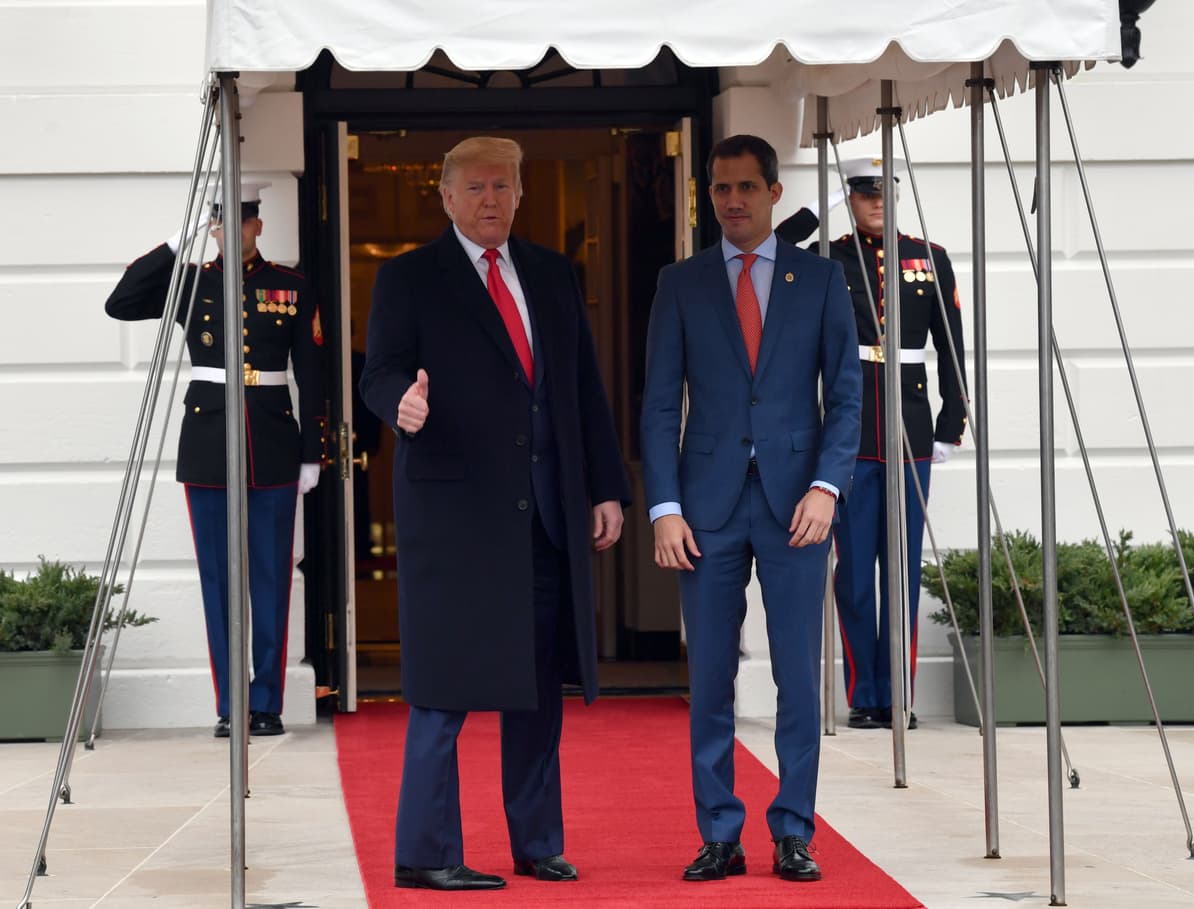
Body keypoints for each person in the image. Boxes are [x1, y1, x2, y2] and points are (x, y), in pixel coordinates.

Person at [358, 136, 630, 893]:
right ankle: (425, 851)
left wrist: (604, 487)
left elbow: (582, 388)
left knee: (540, 688)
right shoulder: (410, 277)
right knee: (443, 690)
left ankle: (538, 841)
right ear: (444, 197)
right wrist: (399, 405)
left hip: (543, 514)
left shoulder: (550, 274)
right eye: (475, 187)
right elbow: (377, 370)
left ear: (520, 194)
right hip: (453, 521)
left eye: (503, 187)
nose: (490, 199)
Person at [641, 134, 861, 884]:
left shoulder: (823, 279)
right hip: (705, 511)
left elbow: (848, 400)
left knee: (798, 676)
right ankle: (719, 833)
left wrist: (828, 489)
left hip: (797, 507)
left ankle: (794, 830)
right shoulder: (681, 282)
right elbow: (660, 403)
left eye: (744, 187)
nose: (731, 200)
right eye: (720, 188)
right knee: (709, 679)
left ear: (772, 192)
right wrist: (664, 506)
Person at [104, 180, 324, 739]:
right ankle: (231, 705)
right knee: (218, 581)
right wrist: (176, 246)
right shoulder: (193, 283)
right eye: (222, 222)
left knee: (271, 578)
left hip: (273, 445)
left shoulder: (290, 286)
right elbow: (121, 302)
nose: (235, 231)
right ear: (214, 227)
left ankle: (266, 703)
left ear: (257, 224)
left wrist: (311, 451)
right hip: (206, 444)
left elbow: (313, 373)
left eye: (244, 220)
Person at [776, 156, 968, 730]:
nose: (876, 202)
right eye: (863, 194)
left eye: (885, 192)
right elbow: (777, 250)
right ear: (851, 198)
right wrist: (820, 208)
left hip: (908, 428)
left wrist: (950, 422)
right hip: (850, 429)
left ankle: (900, 696)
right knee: (856, 570)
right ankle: (866, 694)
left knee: (903, 569)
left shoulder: (929, 258)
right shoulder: (828, 258)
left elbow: (952, 345)